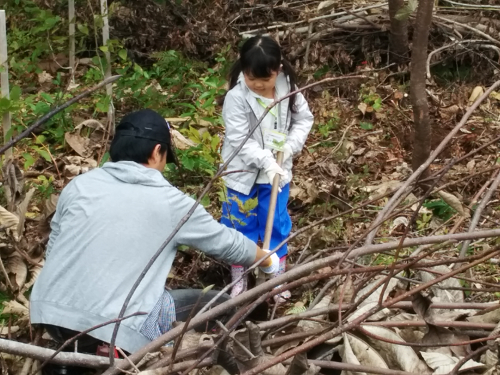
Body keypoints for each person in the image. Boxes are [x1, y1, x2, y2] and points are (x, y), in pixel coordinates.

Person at [30, 109, 279, 355]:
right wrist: (268, 259)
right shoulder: (170, 201)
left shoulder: (79, 186)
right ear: (157, 151)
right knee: (225, 305)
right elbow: (227, 243)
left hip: (49, 315)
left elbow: (54, 249)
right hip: (110, 328)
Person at [220, 35, 314, 302]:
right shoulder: (236, 97)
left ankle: (275, 276)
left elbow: (304, 119)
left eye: (266, 79)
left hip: (278, 172)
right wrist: (266, 161)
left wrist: (291, 146)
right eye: (252, 79)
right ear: (243, 71)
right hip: (241, 172)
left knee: (276, 222)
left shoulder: (288, 88)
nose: (259, 85)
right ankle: (240, 275)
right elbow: (238, 140)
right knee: (239, 223)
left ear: (278, 69)